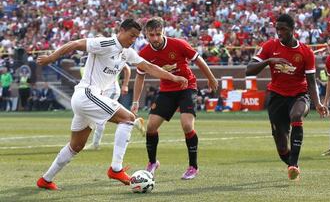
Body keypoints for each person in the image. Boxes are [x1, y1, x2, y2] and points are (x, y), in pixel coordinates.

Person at [36, 19, 188, 190]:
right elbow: (74, 44)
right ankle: (116, 169)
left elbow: (148, 67)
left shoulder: (127, 53)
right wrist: (51, 57)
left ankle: (46, 180)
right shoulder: (106, 43)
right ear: (121, 31)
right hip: (87, 93)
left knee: (76, 145)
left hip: (88, 99)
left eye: (136, 38)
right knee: (129, 119)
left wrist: (174, 78)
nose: (133, 40)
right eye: (131, 36)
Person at [131, 17, 218, 180]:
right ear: (146, 35)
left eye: (158, 34)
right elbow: (140, 77)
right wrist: (135, 101)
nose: (155, 38)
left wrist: (211, 78)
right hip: (166, 90)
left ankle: (193, 166)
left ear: (163, 32)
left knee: (186, 125)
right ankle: (152, 163)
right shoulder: (144, 54)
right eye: (152, 35)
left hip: (187, 87)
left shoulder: (178, 44)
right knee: (151, 127)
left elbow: (198, 60)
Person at [246, 14, 327, 181]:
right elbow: (249, 70)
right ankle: (291, 164)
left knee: (296, 115)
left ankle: (294, 164)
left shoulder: (306, 52)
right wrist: (269, 60)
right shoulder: (270, 46)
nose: (279, 32)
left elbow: (311, 82)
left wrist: (318, 103)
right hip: (276, 97)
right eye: (277, 29)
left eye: (283, 29)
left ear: (292, 30)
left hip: (299, 95)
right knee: (282, 145)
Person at [85, 64, 146, 150]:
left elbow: (127, 68)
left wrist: (125, 85)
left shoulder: (110, 54)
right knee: (104, 115)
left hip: (111, 89)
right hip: (103, 90)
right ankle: (134, 122)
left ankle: (96, 144)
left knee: (101, 115)